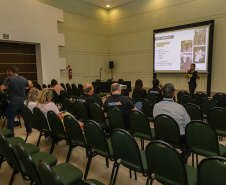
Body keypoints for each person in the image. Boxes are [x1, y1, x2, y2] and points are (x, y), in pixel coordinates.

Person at [0, 66, 31, 134]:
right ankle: (29, 130)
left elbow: (1, 88)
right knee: (25, 117)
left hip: (12, 103)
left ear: (11, 72)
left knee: (10, 119)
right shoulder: (24, 79)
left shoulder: (8, 79)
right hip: (22, 102)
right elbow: (28, 87)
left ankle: (11, 134)